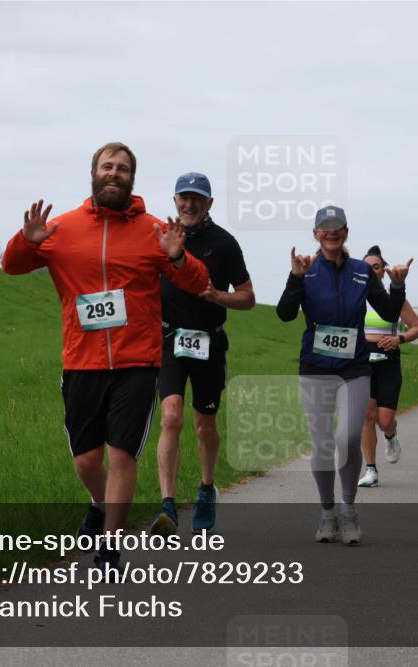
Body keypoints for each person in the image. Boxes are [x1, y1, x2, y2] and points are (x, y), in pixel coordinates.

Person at [1, 142, 210, 569]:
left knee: (121, 455)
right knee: (86, 460)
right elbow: (11, 265)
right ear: (94, 173)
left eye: (123, 168)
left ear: (132, 178)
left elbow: (196, 282)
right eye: (107, 167)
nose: (114, 173)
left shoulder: (154, 230)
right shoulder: (61, 229)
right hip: (82, 361)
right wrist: (27, 241)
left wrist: (177, 255)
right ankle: (99, 504)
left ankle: (111, 544)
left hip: (138, 362)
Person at [277, 207, 411, 544]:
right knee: (322, 444)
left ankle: (348, 509)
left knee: (347, 438)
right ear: (316, 234)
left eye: (337, 228)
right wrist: (294, 278)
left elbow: (388, 312)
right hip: (316, 366)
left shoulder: (362, 273)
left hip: (354, 367)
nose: (331, 233)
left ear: (346, 233)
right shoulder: (305, 270)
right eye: (325, 228)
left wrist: (397, 286)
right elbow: (285, 314)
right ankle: (327, 512)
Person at [150, 173, 255, 536]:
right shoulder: (159, 236)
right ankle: (167, 506)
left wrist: (218, 297)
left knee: (204, 425)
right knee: (171, 416)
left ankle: (207, 489)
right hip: (169, 340)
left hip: (209, 342)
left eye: (198, 198)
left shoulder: (224, 243)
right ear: (175, 200)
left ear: (209, 203)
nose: (189, 204)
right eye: (184, 197)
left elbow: (248, 297)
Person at [356, 246, 418, 488]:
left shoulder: (395, 300)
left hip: (388, 360)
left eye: (375, 267)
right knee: (366, 415)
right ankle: (371, 470)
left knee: (384, 420)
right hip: (361, 360)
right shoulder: (354, 296)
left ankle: (391, 436)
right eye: (365, 267)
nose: (370, 271)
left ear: (384, 272)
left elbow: (417, 326)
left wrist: (399, 339)